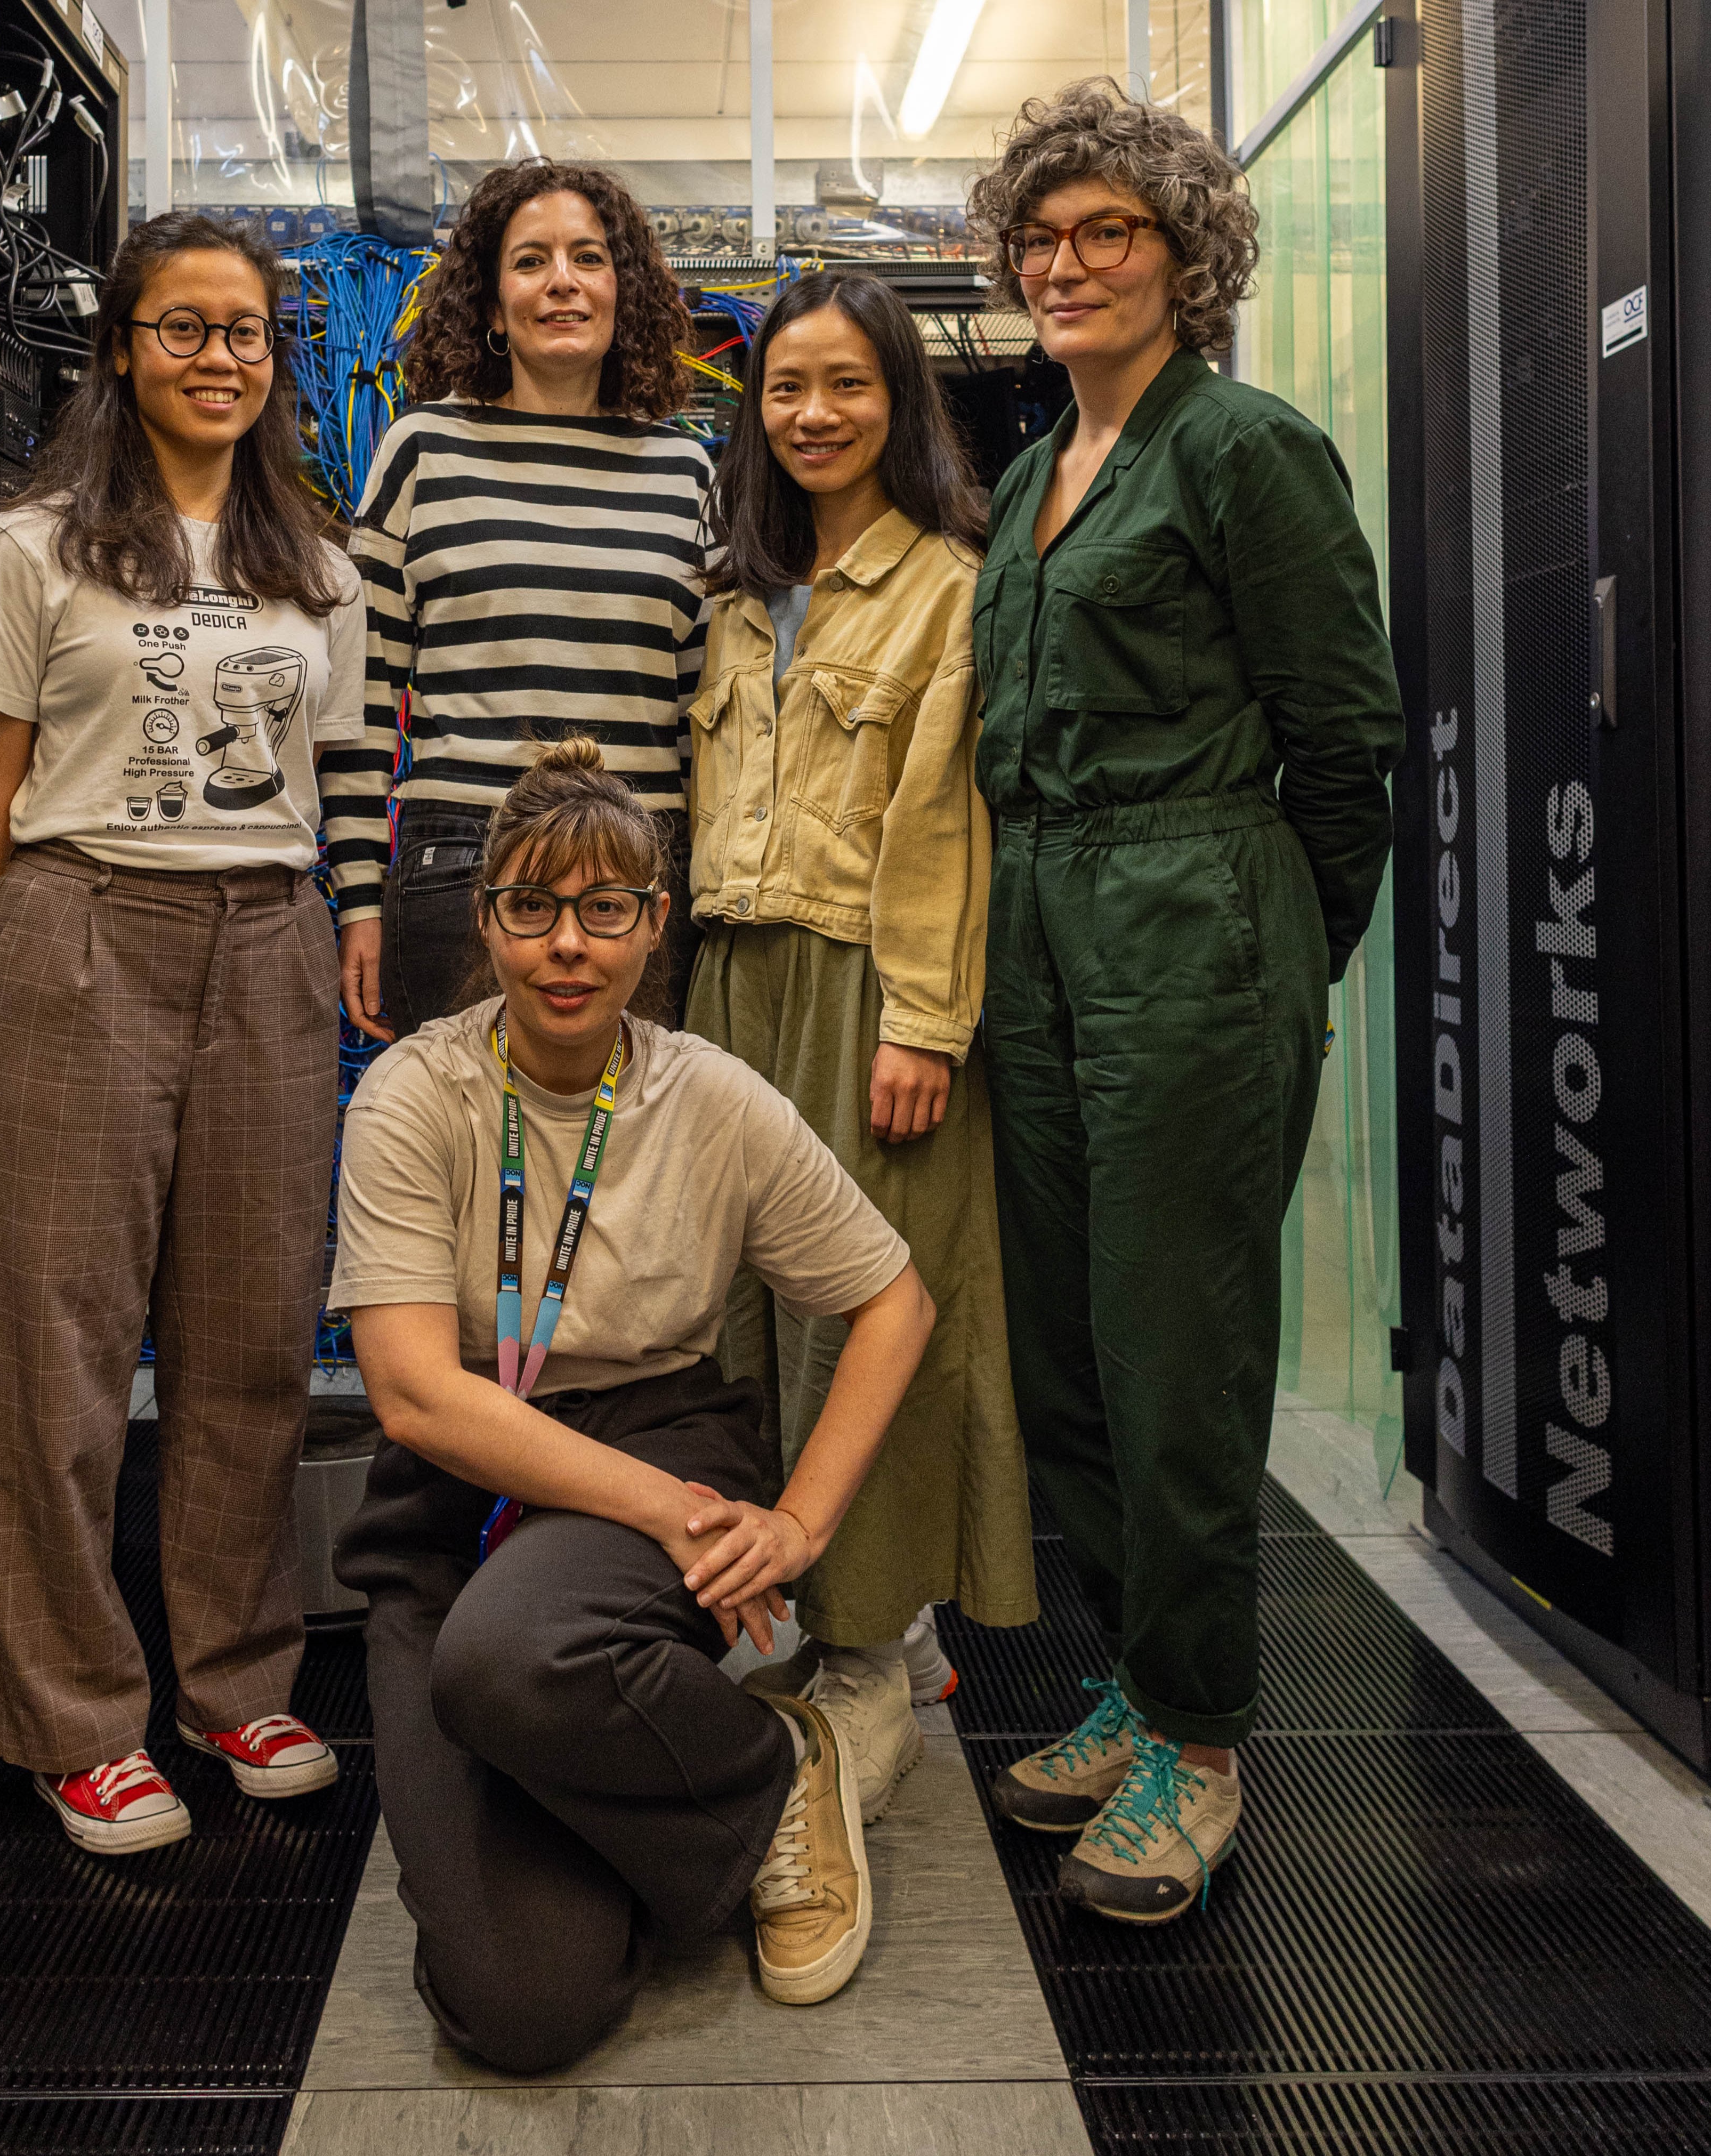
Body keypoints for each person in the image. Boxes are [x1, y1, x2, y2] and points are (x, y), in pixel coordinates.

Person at [329, 738, 939, 2071]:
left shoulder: (709, 1097)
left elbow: (895, 1302)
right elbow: (413, 1394)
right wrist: (675, 1516)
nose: (567, 947)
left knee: (506, 1663)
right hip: (460, 1489)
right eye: (532, 908)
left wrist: (797, 1524)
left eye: (606, 911)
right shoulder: (413, 1095)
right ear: (485, 919)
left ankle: (769, 1775)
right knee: (520, 2007)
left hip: (652, 1424)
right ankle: (706, 1759)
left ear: (654, 924)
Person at [965, 81, 1405, 1920]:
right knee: (1067, 1345)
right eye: (1042, 239)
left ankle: (1202, 1740)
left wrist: (1271, 961)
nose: (1066, 265)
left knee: (1177, 1353)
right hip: (1046, 921)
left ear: (1182, 256)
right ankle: (1137, 1686)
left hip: (1194, 920)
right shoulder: (1027, 472)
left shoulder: (1243, 450)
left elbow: (1345, 737)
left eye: (1107, 235)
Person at [0, 213, 362, 1855]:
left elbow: (321, 773)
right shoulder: (31, 546)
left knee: (249, 1338)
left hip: (269, 937)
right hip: (81, 922)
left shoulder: (312, 564)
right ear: (120, 349)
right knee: (57, 1349)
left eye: (245, 332)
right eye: (182, 329)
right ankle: (76, 1722)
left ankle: (235, 1683)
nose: (218, 359)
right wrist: (76, 931)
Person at [681, 270, 1040, 1822]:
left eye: (844, 384)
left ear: (898, 403)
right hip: (726, 978)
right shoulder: (729, 587)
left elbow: (941, 827)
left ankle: (871, 1633)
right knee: (736, 1306)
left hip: (859, 985)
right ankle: (767, 1595)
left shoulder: (949, 587)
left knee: (874, 1301)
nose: (812, 413)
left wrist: (921, 1020)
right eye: (784, 388)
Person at [323, 159, 711, 1041]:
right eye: (531, 261)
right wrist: (355, 899)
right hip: (461, 861)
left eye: (588, 258)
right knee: (461, 1156)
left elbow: (707, 719)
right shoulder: (423, 449)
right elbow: (361, 696)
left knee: (630, 1160)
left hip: (641, 869)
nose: (562, 281)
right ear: (493, 305)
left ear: (625, 292)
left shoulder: (686, 471)